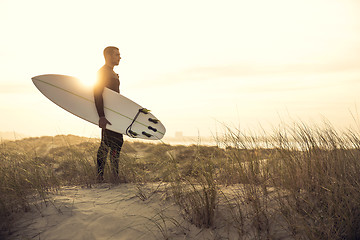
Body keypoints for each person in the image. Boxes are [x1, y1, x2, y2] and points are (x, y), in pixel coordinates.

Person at [94, 46, 124, 183]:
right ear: (109, 56)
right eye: (117, 54)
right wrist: (101, 116)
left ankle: (112, 175)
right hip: (107, 115)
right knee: (106, 145)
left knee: (115, 144)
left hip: (114, 114)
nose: (120, 57)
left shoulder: (111, 72)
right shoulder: (103, 72)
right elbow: (97, 93)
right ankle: (101, 176)